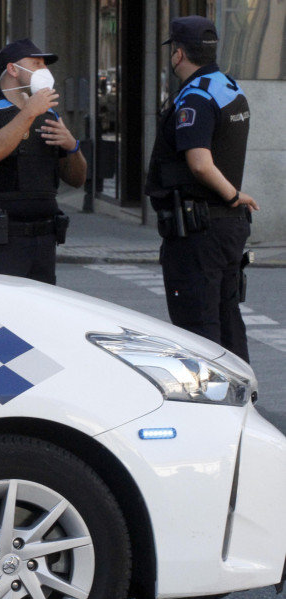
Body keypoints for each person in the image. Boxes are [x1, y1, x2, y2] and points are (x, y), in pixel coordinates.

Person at [146, 16, 259, 362]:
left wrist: (233, 195)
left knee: (198, 327)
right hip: (224, 227)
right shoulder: (228, 87)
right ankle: (242, 399)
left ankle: (210, 406)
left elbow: (199, 163)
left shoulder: (195, 97)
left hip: (199, 230)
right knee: (227, 321)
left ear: (178, 54)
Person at [0, 39, 86, 285]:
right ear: (13, 69)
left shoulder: (49, 115)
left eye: (44, 64)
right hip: (3, 239)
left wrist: (72, 146)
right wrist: (29, 112)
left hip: (45, 240)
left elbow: (77, 179)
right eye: (36, 63)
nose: (43, 70)